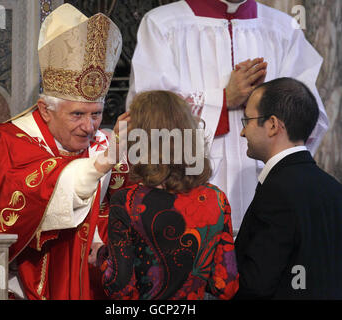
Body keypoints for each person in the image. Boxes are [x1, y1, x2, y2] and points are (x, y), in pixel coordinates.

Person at [0, 4, 130, 300]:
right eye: (77, 114)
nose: (89, 127)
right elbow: (20, 209)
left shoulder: (102, 144)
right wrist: (97, 168)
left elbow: (114, 210)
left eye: (96, 114)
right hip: (15, 279)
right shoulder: (6, 141)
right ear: (45, 110)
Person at [126, 0, 329, 232]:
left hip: (270, 194)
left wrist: (269, 101)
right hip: (189, 196)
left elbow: (310, 118)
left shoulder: (283, 28)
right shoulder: (162, 24)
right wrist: (222, 99)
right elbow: (147, 118)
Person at [94, 90, 239, 300]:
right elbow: (226, 285)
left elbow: (120, 288)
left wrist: (101, 255)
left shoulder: (127, 202)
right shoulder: (216, 198)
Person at [235, 77, 342, 299]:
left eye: (248, 121)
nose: (242, 132)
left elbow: (256, 284)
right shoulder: (334, 188)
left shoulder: (277, 192)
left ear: (273, 125)